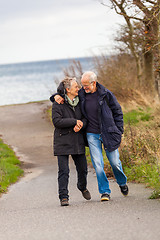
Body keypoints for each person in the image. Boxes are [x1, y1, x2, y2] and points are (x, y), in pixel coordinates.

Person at [55, 71, 128, 202]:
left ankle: (122, 183)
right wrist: (55, 96)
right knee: (98, 164)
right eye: (81, 85)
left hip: (109, 132)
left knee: (115, 163)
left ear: (93, 83)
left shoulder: (106, 94)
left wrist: (119, 130)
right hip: (91, 134)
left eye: (86, 85)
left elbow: (117, 111)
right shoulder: (82, 94)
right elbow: (66, 95)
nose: (83, 88)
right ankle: (105, 192)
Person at [50, 77, 91, 206]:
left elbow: (85, 118)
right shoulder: (58, 103)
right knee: (64, 171)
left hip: (77, 140)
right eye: (75, 87)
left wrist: (81, 124)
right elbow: (57, 121)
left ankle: (82, 186)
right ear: (68, 90)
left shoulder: (80, 101)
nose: (78, 89)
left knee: (83, 169)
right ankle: (63, 197)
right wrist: (74, 121)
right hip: (62, 140)